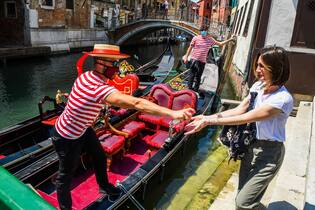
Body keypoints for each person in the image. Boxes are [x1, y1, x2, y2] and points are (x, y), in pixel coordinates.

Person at [51, 44, 195, 210]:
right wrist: (173, 113)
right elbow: (136, 103)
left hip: (83, 129)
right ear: (101, 63)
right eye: (114, 64)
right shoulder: (96, 87)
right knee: (65, 176)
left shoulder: (88, 76)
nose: (117, 68)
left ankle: (104, 187)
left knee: (99, 156)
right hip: (67, 136)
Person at [184, 46, 293, 210]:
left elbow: (246, 117)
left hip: (269, 154)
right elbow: (239, 109)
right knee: (242, 196)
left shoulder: (282, 99)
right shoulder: (258, 86)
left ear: (277, 68)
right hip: (250, 148)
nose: (257, 70)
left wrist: (209, 122)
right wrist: (207, 117)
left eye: (262, 66)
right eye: (257, 65)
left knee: (243, 203)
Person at [183, 25, 235, 93]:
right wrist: (186, 57)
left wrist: (230, 39)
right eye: (202, 31)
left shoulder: (210, 39)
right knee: (191, 75)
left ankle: (195, 91)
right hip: (194, 59)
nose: (203, 32)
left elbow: (220, 44)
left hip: (202, 61)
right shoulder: (195, 38)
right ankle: (189, 90)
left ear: (207, 31)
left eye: (205, 31)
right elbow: (190, 48)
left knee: (198, 77)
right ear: (200, 31)